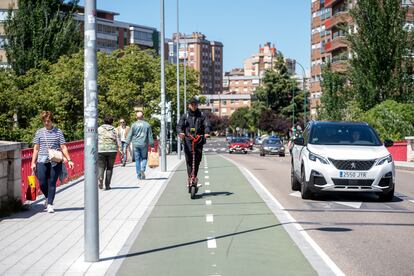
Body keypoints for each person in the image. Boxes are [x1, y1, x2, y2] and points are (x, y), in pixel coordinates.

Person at [31, 111, 74, 213]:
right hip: (42, 160)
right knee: (42, 181)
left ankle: (50, 204)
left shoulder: (58, 132)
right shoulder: (39, 132)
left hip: (55, 161)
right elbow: (36, 148)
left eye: (48, 121)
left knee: (52, 182)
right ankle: (47, 197)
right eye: (44, 121)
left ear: (51, 121)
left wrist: (69, 160)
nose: (46, 123)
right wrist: (33, 162)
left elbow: (63, 147)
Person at [177, 97, 211, 186]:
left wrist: (207, 133)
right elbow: (179, 126)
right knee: (189, 160)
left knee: (197, 160)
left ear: (197, 105)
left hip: (199, 140)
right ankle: (190, 178)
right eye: (192, 104)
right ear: (189, 105)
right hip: (188, 140)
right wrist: (181, 133)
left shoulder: (202, 115)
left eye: (195, 104)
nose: (193, 106)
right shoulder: (185, 116)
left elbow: (207, 125)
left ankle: (194, 177)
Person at [126, 111, 154, 180]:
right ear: (143, 116)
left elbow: (130, 135)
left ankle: (138, 175)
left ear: (136, 117)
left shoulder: (134, 125)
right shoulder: (147, 125)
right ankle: (142, 169)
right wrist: (152, 145)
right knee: (144, 158)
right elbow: (150, 136)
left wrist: (127, 143)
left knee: (137, 159)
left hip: (135, 144)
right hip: (144, 144)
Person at [98, 116, 121, 190]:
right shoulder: (115, 129)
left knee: (101, 166)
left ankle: (100, 177)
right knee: (110, 168)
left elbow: (95, 138)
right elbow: (118, 140)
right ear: (112, 122)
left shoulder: (99, 129)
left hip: (101, 149)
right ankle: (107, 185)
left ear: (104, 121)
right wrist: (120, 150)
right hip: (112, 150)